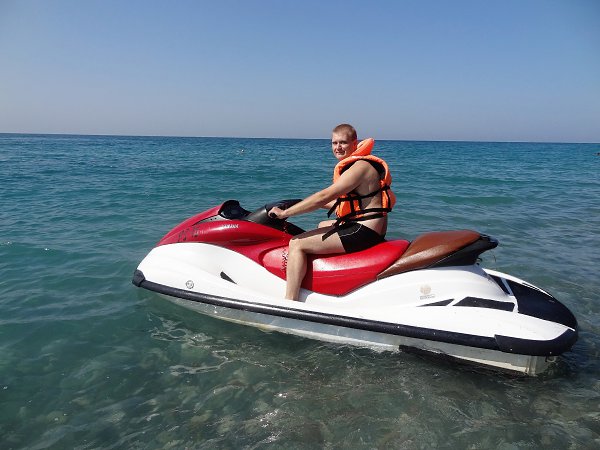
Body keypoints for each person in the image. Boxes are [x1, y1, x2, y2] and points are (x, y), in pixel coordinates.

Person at [268, 124, 395, 301]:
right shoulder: (362, 164)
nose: (338, 147)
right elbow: (342, 203)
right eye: (334, 143)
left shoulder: (359, 167)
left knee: (296, 243)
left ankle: (290, 300)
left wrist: (285, 214)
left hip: (364, 231)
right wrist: (300, 204)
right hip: (370, 228)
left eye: (343, 142)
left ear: (354, 143)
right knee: (322, 224)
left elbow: (324, 196)